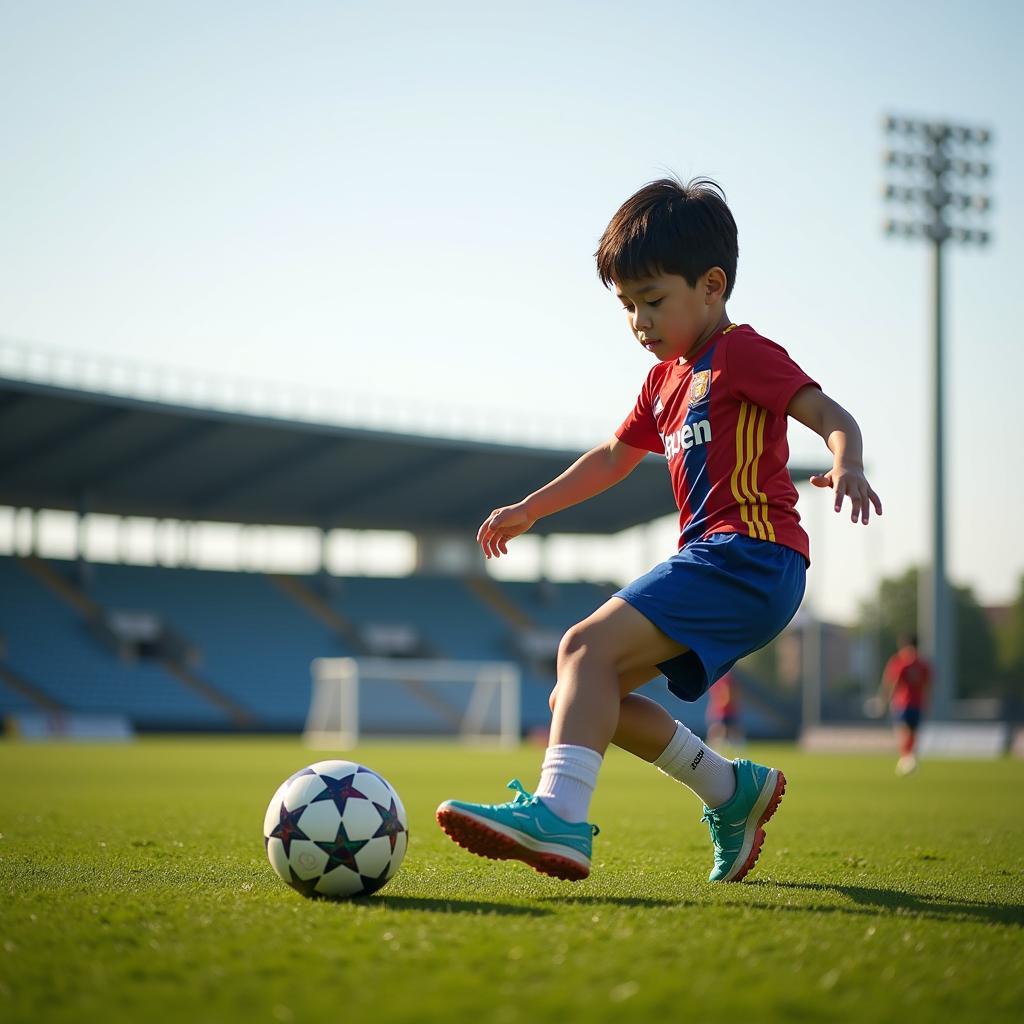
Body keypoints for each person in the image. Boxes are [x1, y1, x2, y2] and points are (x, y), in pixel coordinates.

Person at [436, 177, 882, 883]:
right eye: (626, 306)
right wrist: (531, 508)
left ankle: (560, 818)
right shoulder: (663, 381)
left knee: (581, 645)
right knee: (579, 696)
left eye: (652, 301)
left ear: (711, 285)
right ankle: (730, 790)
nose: (639, 321)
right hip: (725, 563)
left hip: (750, 555)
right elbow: (614, 457)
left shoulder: (742, 353)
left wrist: (846, 463)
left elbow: (831, 415)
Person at [880, 633, 931, 775]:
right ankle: (909, 760)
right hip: (918, 704)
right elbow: (928, 685)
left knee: (903, 733)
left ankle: (906, 760)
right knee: (912, 734)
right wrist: (927, 703)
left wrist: (885, 701)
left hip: (902, 704)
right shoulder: (923, 664)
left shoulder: (900, 662)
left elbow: (892, 683)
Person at [705, 670, 745, 750]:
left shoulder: (724, 680)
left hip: (725, 710)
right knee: (722, 730)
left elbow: (728, 695)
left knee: (724, 730)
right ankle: (738, 747)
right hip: (722, 709)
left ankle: (738, 747)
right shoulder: (723, 680)